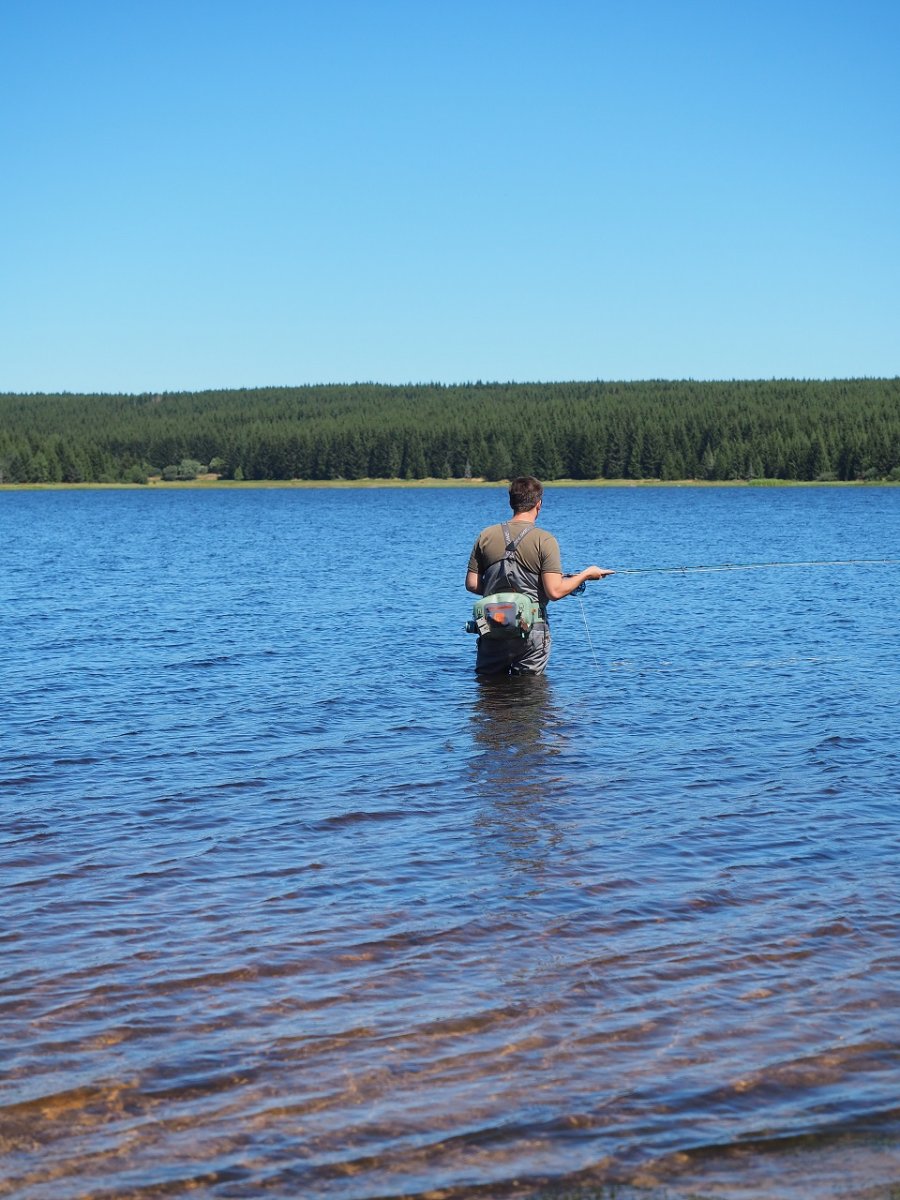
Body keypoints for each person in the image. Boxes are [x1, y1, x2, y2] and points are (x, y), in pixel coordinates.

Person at [465, 476, 614, 675]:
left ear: (511, 503)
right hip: (531, 630)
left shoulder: (485, 535)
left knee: (490, 693)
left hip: (493, 626)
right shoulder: (545, 540)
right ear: (539, 504)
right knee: (531, 695)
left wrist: (502, 593)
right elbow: (554, 591)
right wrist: (586, 574)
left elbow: (472, 584)